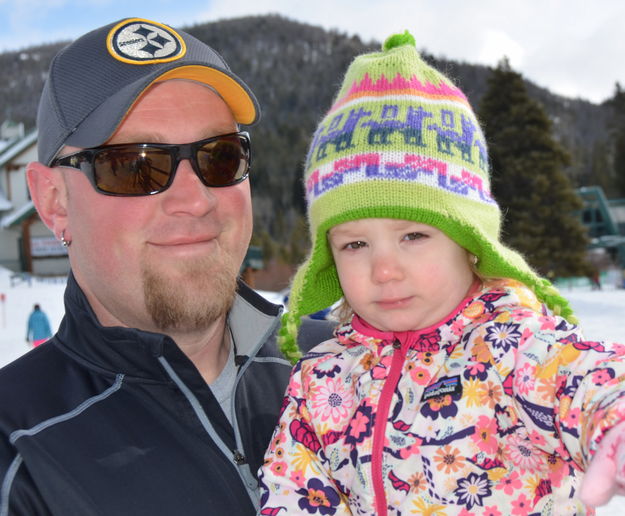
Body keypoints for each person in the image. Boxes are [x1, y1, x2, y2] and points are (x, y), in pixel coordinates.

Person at [259, 32, 625, 515]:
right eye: (355, 244)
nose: (384, 269)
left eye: (413, 236)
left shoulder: (512, 347)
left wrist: (616, 421)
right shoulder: (322, 378)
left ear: (469, 243)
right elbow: (292, 491)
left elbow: (587, 377)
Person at [0, 18, 331, 515]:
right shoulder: (17, 453)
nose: (194, 200)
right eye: (134, 165)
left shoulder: (347, 366)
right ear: (54, 201)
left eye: (219, 157)